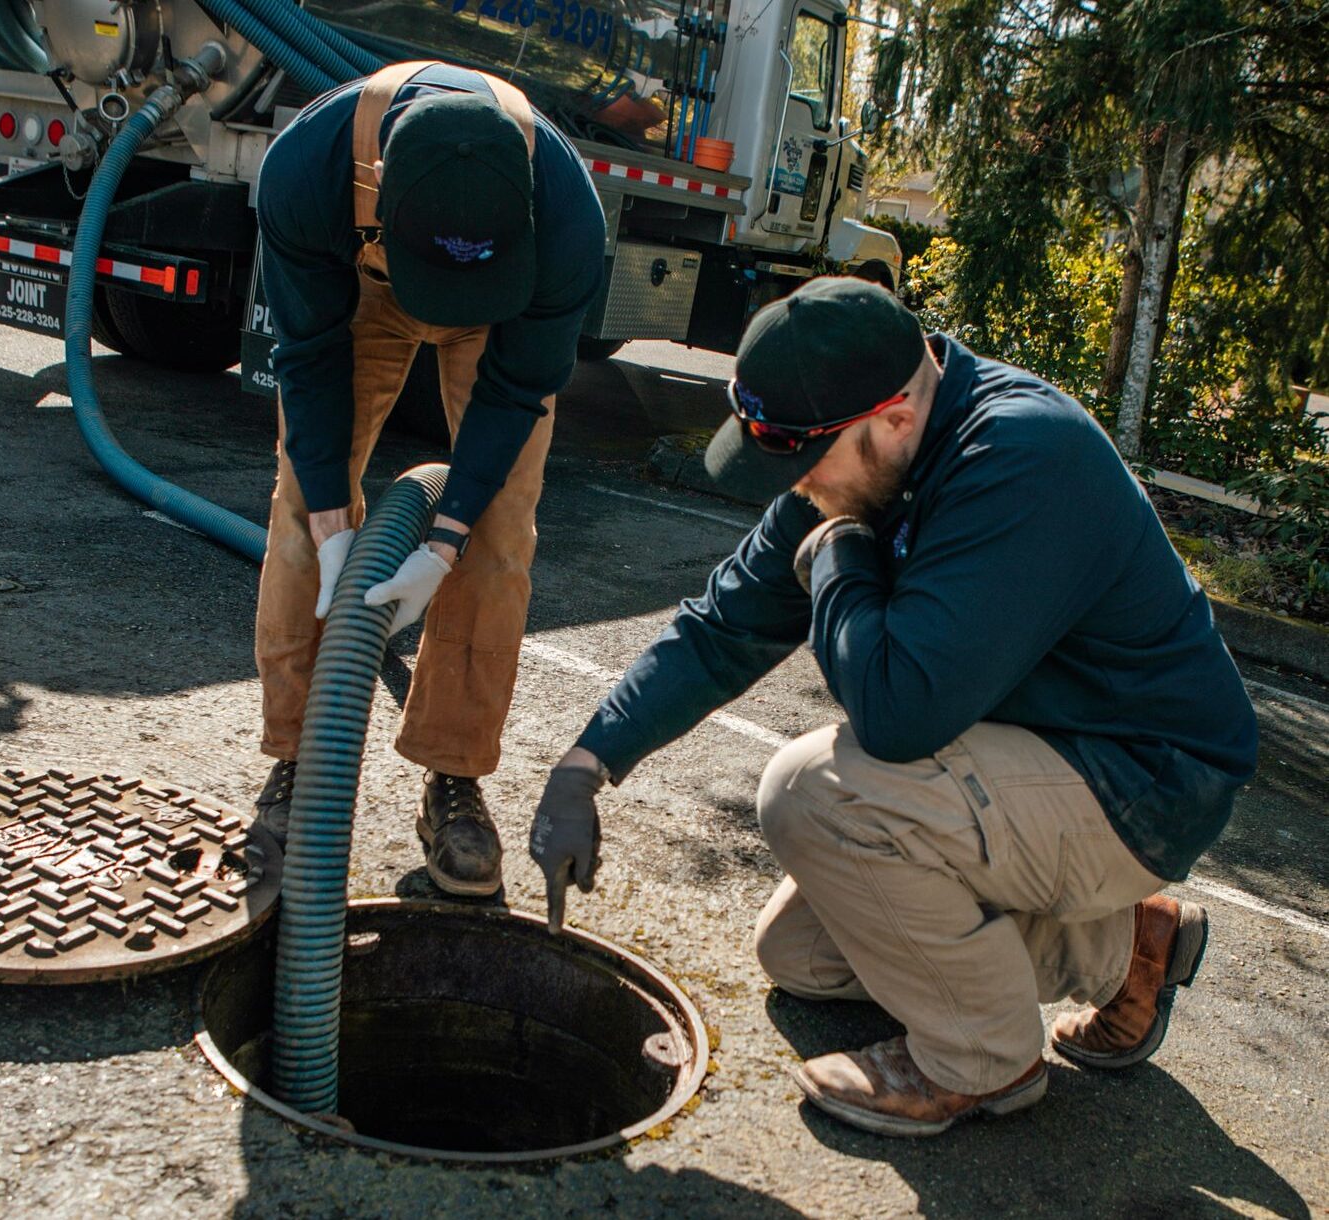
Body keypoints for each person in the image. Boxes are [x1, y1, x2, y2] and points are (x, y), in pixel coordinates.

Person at [529, 277, 1258, 1137]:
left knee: (814, 794)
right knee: (799, 956)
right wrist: (584, 766)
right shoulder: (857, 458)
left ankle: (982, 1062)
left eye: (805, 462)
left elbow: (898, 712)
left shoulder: (1022, 459)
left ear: (895, 419)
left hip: (1141, 779)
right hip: (1032, 752)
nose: (796, 487)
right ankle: (1128, 946)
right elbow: (722, 626)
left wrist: (837, 549)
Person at [252, 60, 604, 896]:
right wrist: (337, 527)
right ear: (378, 184)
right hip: (362, 296)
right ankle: (299, 761)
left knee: (499, 531)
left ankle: (454, 775)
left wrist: (442, 542)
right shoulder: (307, 170)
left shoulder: (565, 219)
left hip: (504, 310)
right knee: (304, 504)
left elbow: (516, 391)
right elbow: (305, 356)